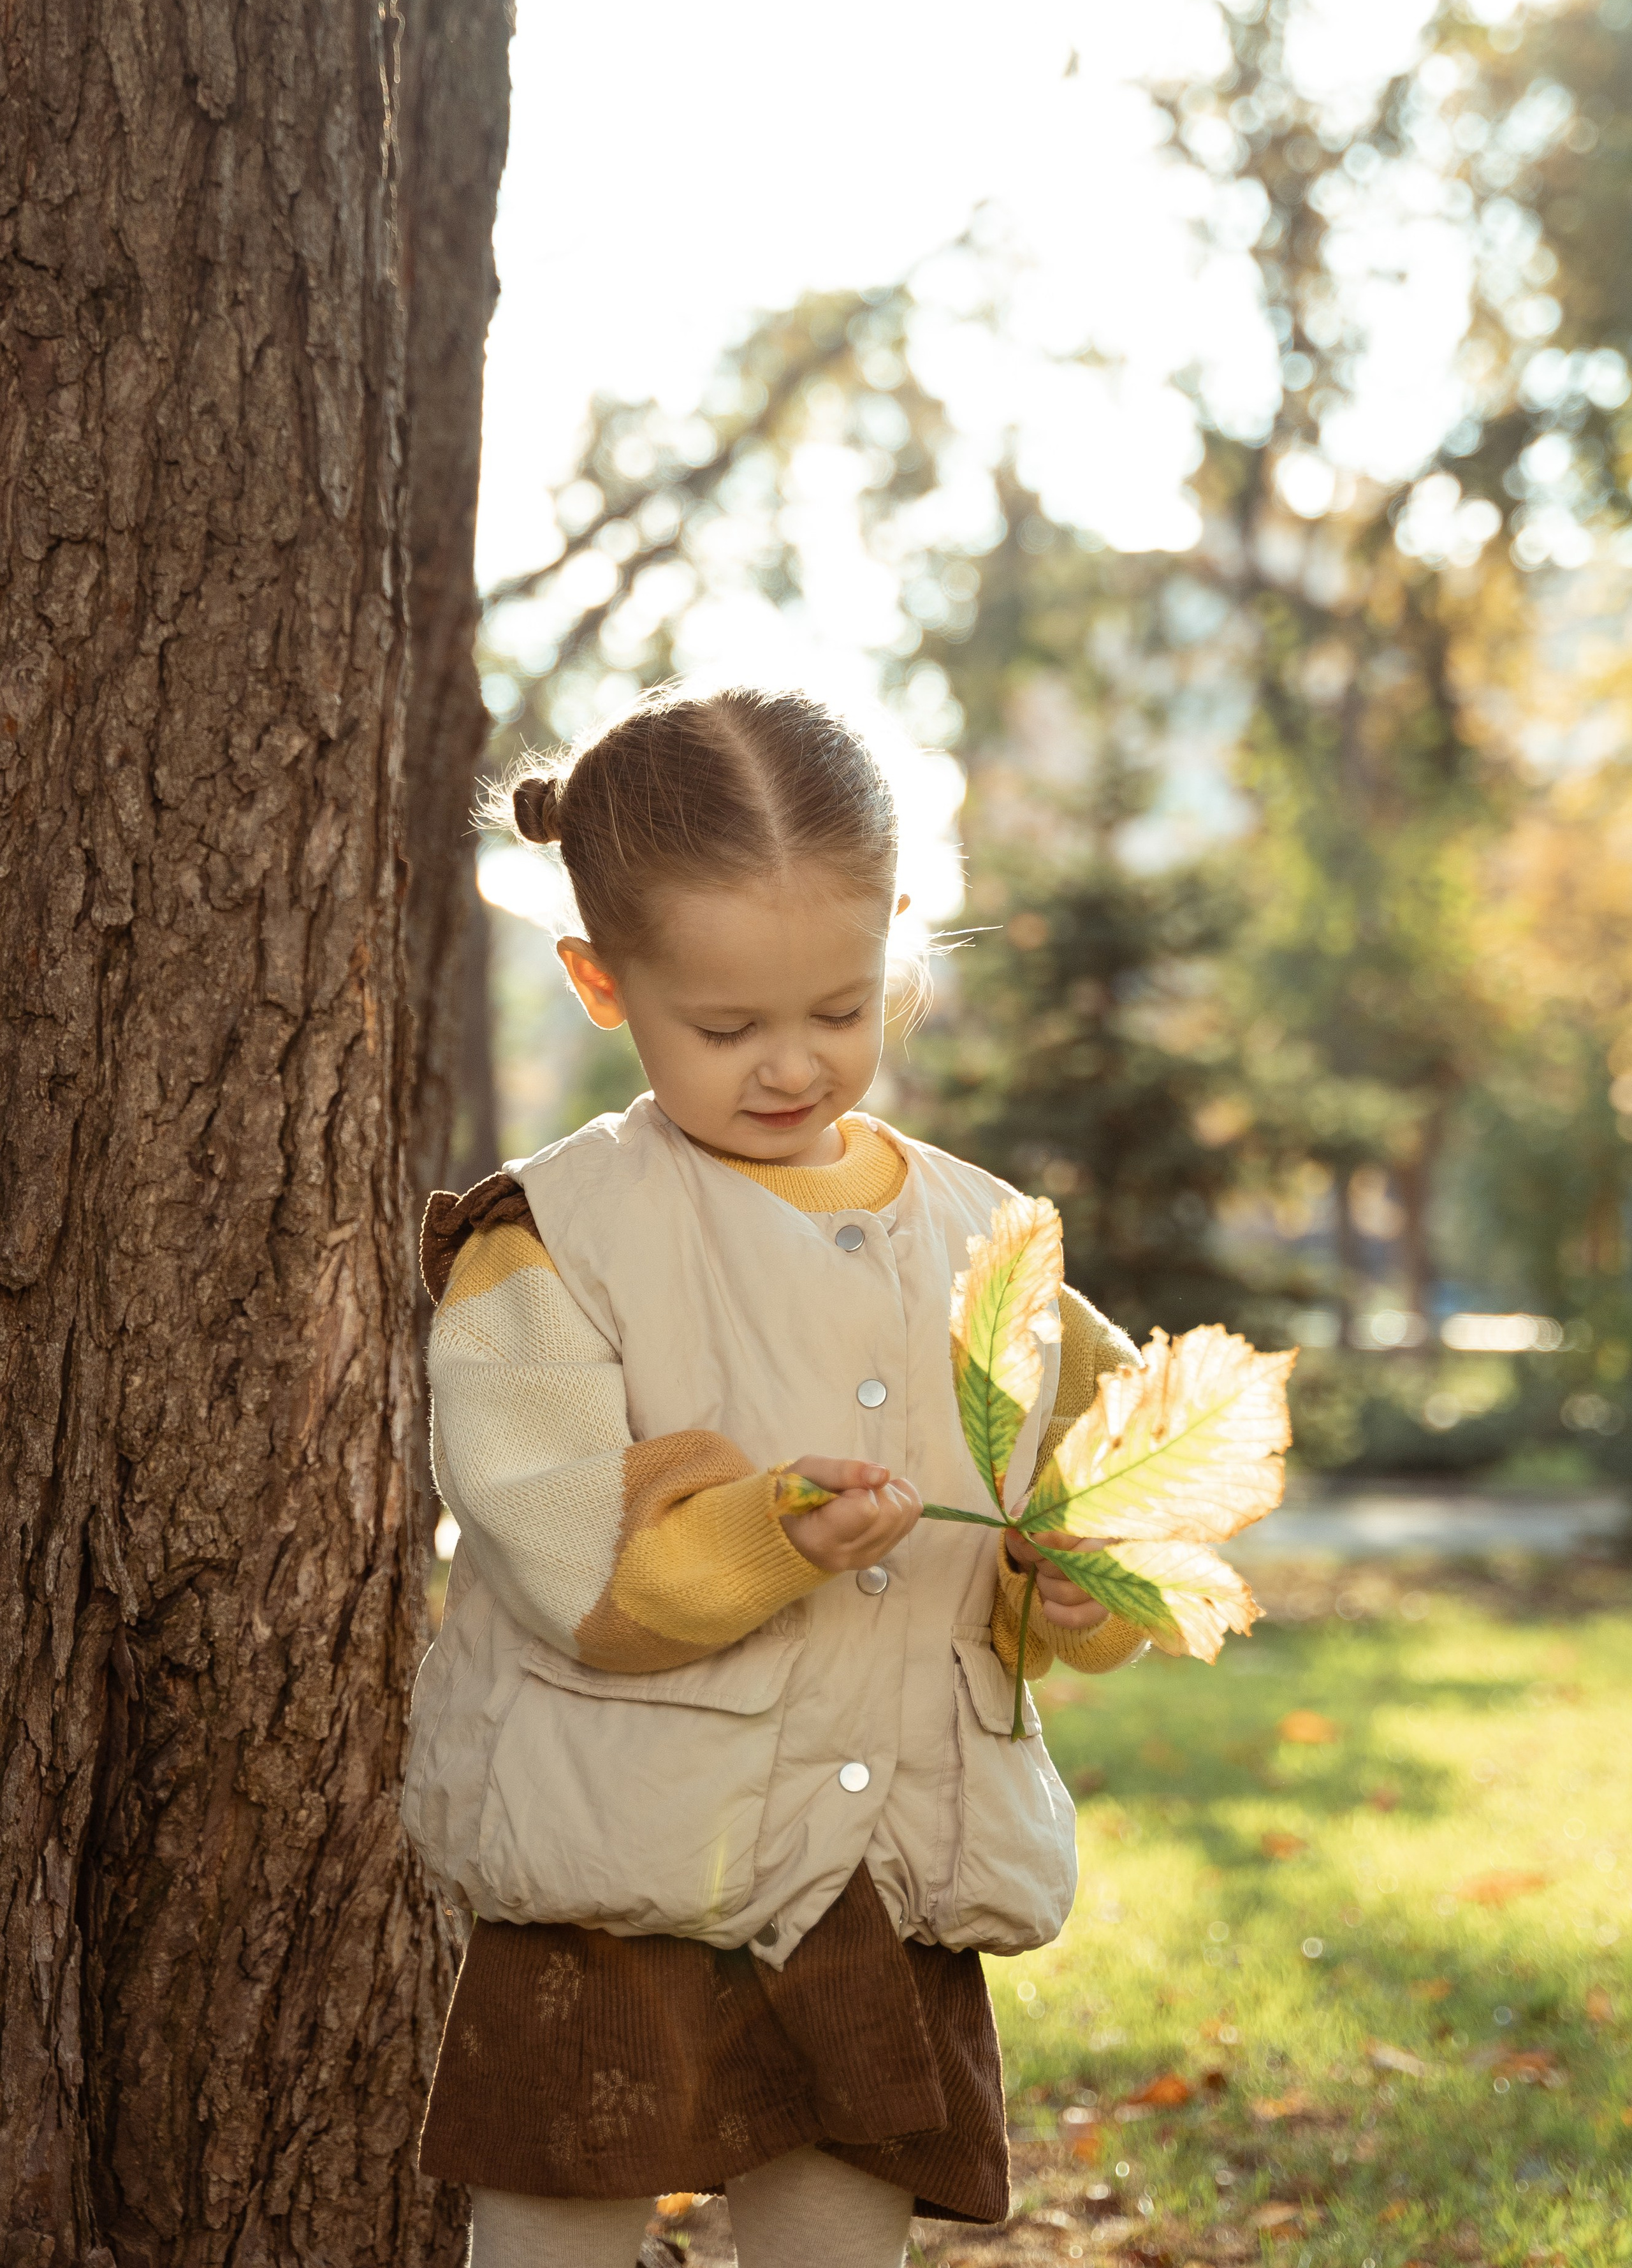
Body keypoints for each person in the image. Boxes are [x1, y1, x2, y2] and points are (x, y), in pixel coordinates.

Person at [404, 686, 1149, 2268]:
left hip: (876, 1866)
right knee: (557, 2210)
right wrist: (767, 1530)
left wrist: (1071, 1586)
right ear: (602, 983)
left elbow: (1096, 1483)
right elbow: (567, 1561)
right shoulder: (550, 1236)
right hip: (620, 1857)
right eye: (725, 1027)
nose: (791, 1065)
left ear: (894, 932)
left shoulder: (989, 1237)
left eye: (837, 1005)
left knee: (837, 2216)